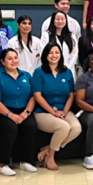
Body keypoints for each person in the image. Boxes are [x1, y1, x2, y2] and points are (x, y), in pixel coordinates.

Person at [0, 48, 39, 176]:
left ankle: (25, 161)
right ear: (3, 62)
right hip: (2, 111)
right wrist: (10, 115)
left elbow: (33, 96)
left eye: (15, 58)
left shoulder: (26, 75)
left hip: (23, 110)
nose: (13, 61)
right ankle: (3, 164)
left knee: (30, 126)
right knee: (10, 127)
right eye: (9, 59)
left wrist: (26, 112)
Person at [32, 42, 82, 171]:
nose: (54, 55)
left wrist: (64, 112)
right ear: (45, 55)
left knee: (76, 128)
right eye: (51, 53)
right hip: (43, 112)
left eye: (57, 53)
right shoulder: (39, 72)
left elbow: (71, 95)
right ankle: (51, 157)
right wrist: (53, 113)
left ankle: (48, 150)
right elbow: (37, 96)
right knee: (63, 127)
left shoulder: (67, 72)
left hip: (63, 110)